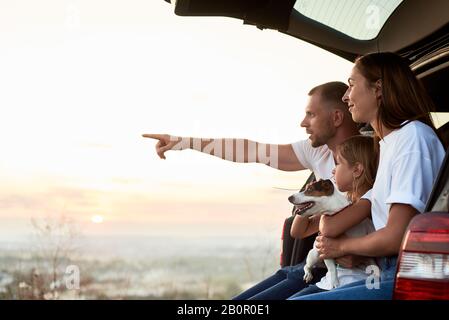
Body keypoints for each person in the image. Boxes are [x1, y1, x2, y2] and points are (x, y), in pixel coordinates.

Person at [143, 81, 363, 300]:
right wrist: (184, 142)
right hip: (311, 266)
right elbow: (252, 150)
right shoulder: (317, 152)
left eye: (311, 115)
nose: (303, 123)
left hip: (340, 275)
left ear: (336, 117)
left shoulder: (370, 160)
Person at [290, 52, 445, 300]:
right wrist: (358, 252)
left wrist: (340, 247)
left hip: (403, 274)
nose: (345, 96)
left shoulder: (412, 138)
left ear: (378, 88)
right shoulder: (388, 144)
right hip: (383, 270)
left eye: (351, 85)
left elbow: (396, 235)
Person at [287, 135, 378, 298]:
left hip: (348, 284)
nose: (333, 170)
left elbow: (328, 228)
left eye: (337, 163)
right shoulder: (345, 201)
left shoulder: (368, 201)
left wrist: (320, 200)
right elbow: (298, 231)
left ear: (357, 170)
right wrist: (307, 198)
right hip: (329, 282)